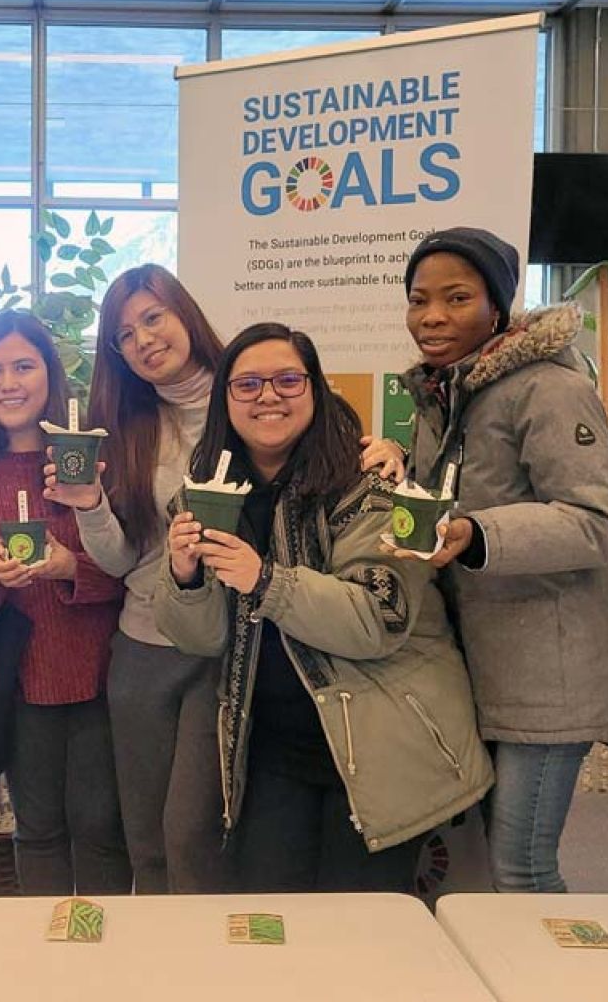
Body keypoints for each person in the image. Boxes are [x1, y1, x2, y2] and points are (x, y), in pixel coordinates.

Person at [155, 322, 493, 893]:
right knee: (277, 926)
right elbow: (201, 639)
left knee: (361, 939)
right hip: (270, 753)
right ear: (225, 401)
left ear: (316, 388)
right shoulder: (207, 494)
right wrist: (185, 577)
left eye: (288, 380)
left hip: (376, 750)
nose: (268, 396)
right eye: (248, 384)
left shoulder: (373, 486)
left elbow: (378, 618)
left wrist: (266, 582)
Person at [378, 226, 608, 893]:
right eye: (418, 299)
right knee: (482, 866)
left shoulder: (548, 390)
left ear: (497, 306)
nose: (432, 316)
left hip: (550, 677)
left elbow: (598, 523)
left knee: (522, 869)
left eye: (456, 297)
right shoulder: (448, 394)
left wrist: (475, 533)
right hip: (482, 667)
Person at [38, 265, 229, 893]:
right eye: (124, 334)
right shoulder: (125, 425)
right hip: (143, 646)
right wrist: (88, 503)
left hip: (226, 648)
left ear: (185, 315)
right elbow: (121, 562)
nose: (144, 339)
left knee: (193, 836)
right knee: (145, 838)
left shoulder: (250, 401)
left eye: (153, 318)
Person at [0, 311, 129, 895]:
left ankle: (101, 966)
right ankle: (49, 965)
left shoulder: (92, 455)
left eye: (24, 365)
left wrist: (73, 568)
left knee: (101, 829)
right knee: (39, 831)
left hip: (103, 676)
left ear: (51, 373)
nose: (9, 382)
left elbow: (136, 568)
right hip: (17, 682)